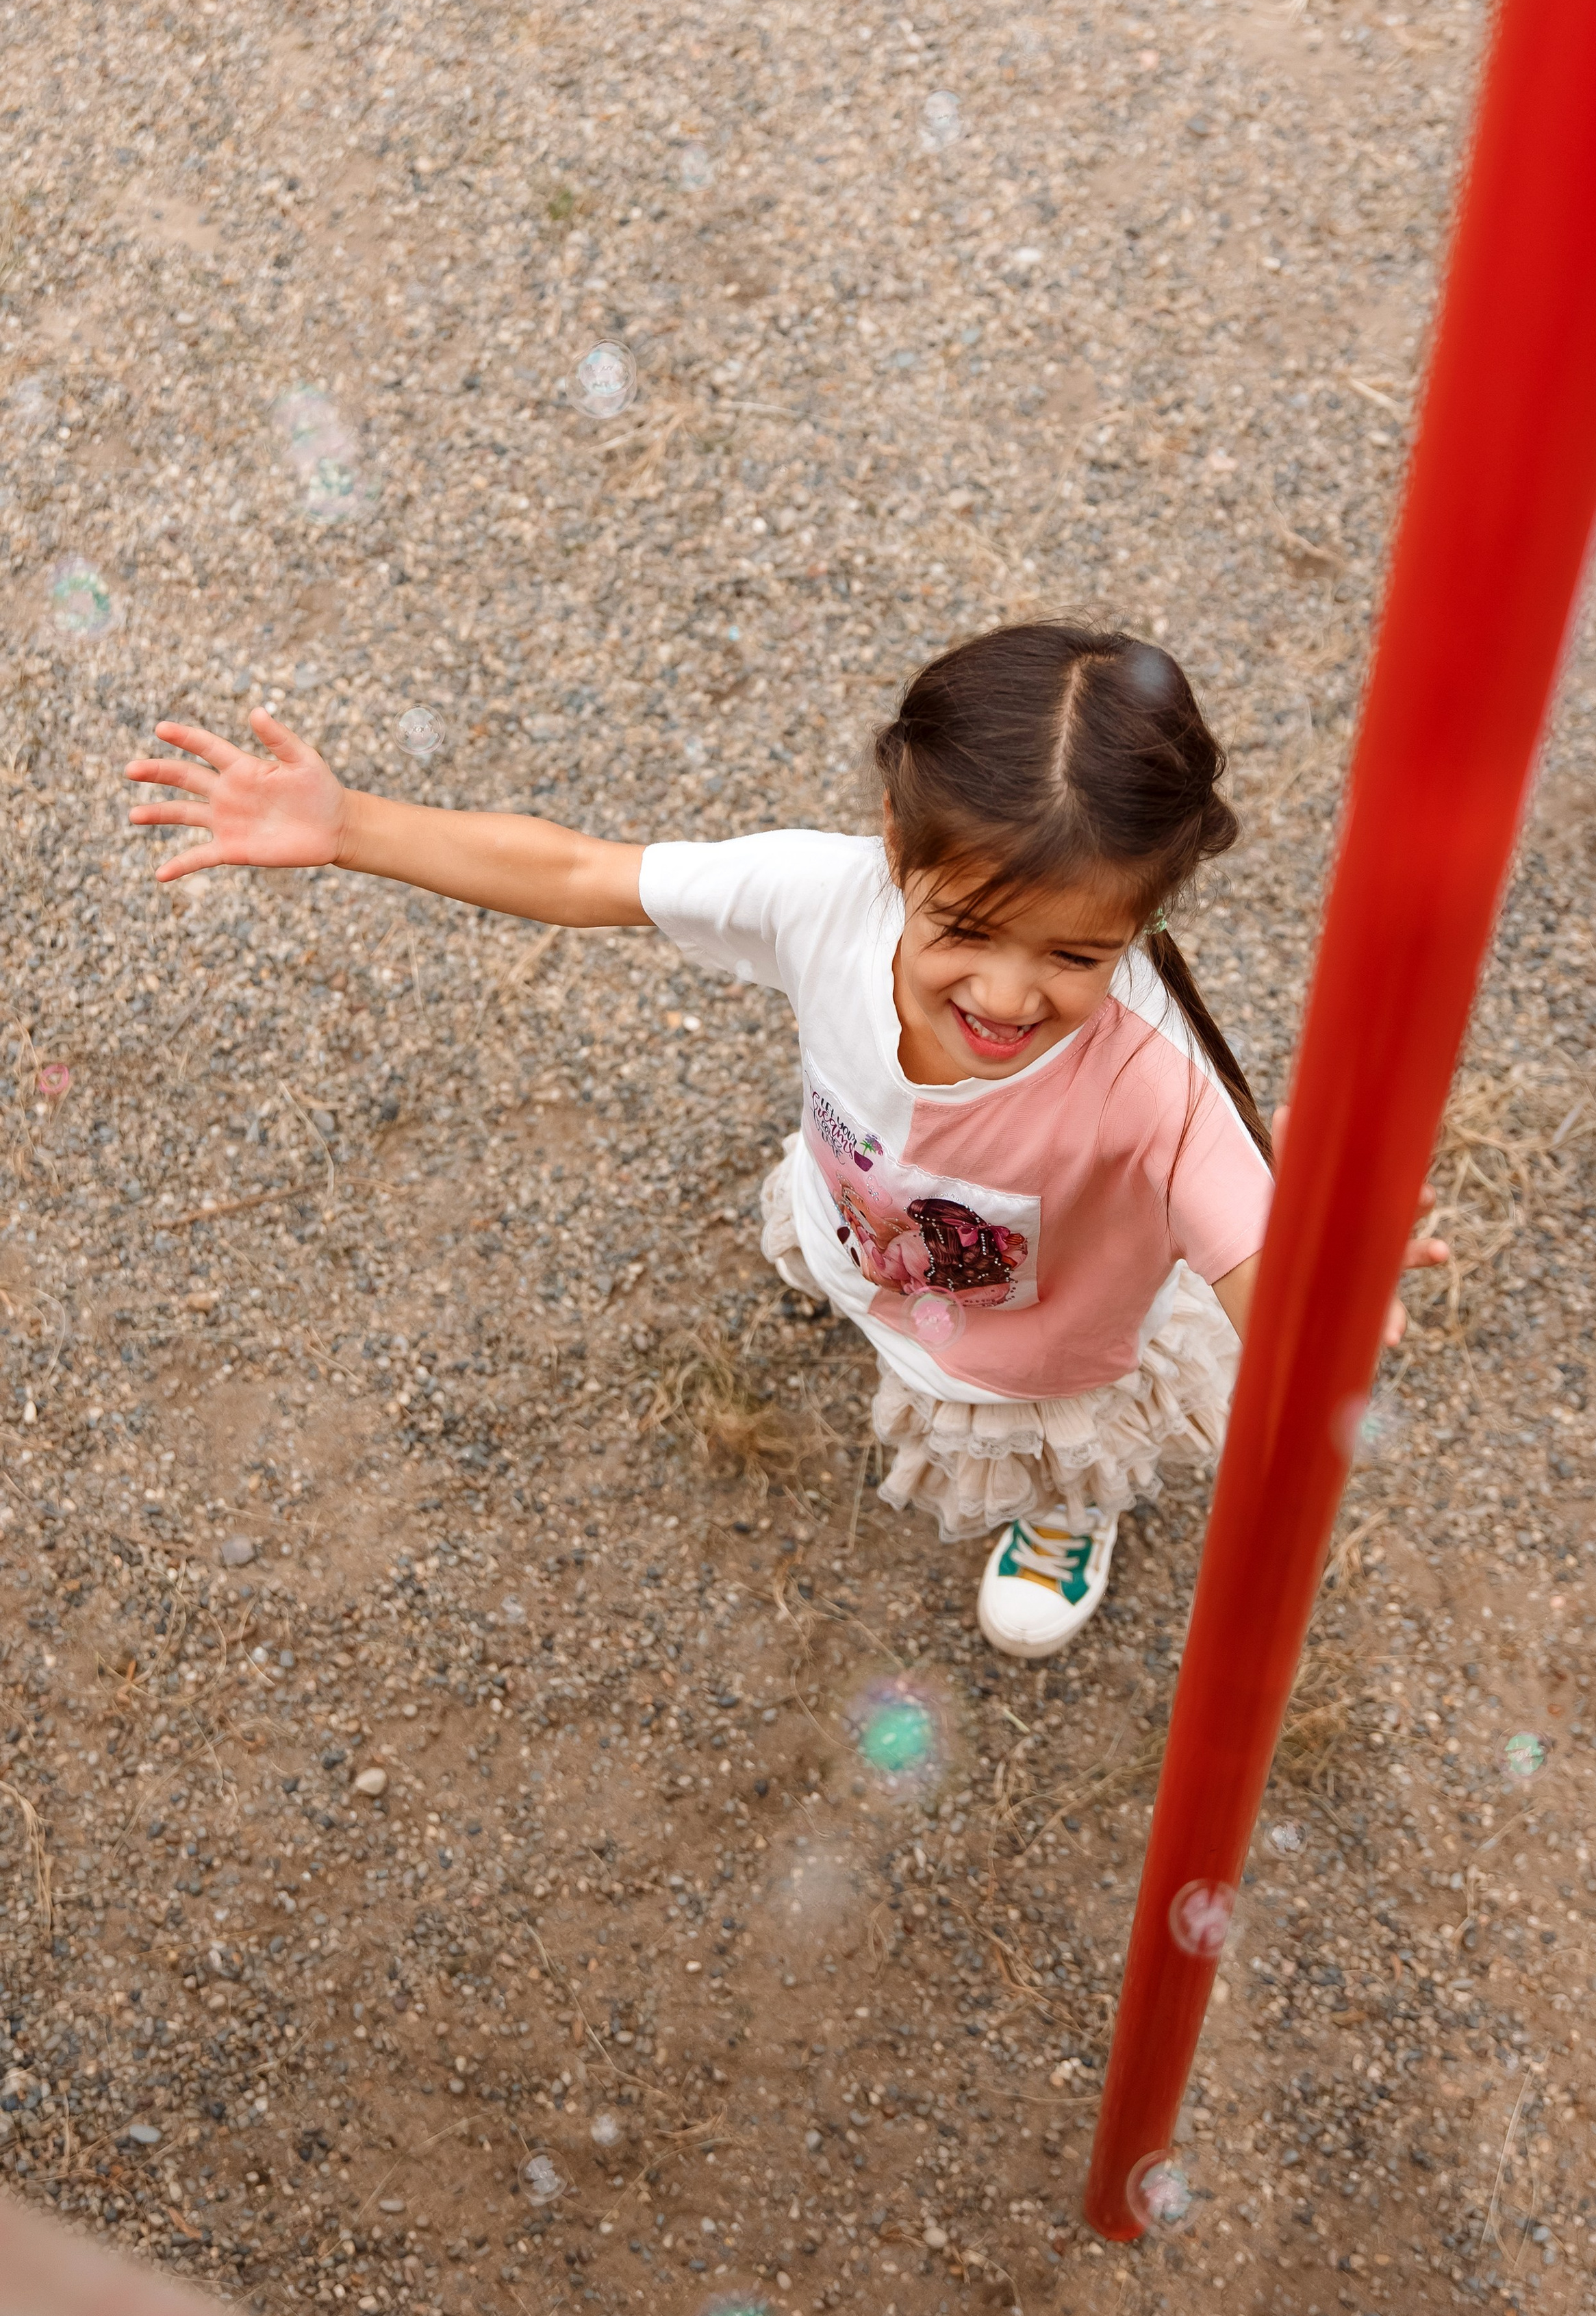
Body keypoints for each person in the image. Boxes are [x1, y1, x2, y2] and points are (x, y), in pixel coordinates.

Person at [125, 616, 1445, 1659]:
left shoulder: (1153, 1082)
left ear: (1145, 924)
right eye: (967, 932)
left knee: (1058, 1447)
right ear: (896, 851)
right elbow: (592, 877)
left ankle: (1064, 1522)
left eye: (1076, 955)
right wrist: (354, 827)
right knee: (854, 1252)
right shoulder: (825, 896)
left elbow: (1254, 1273)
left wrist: (1327, 1305)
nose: (1005, 995)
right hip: (867, 1219)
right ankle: (856, 1278)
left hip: (1031, 1348)